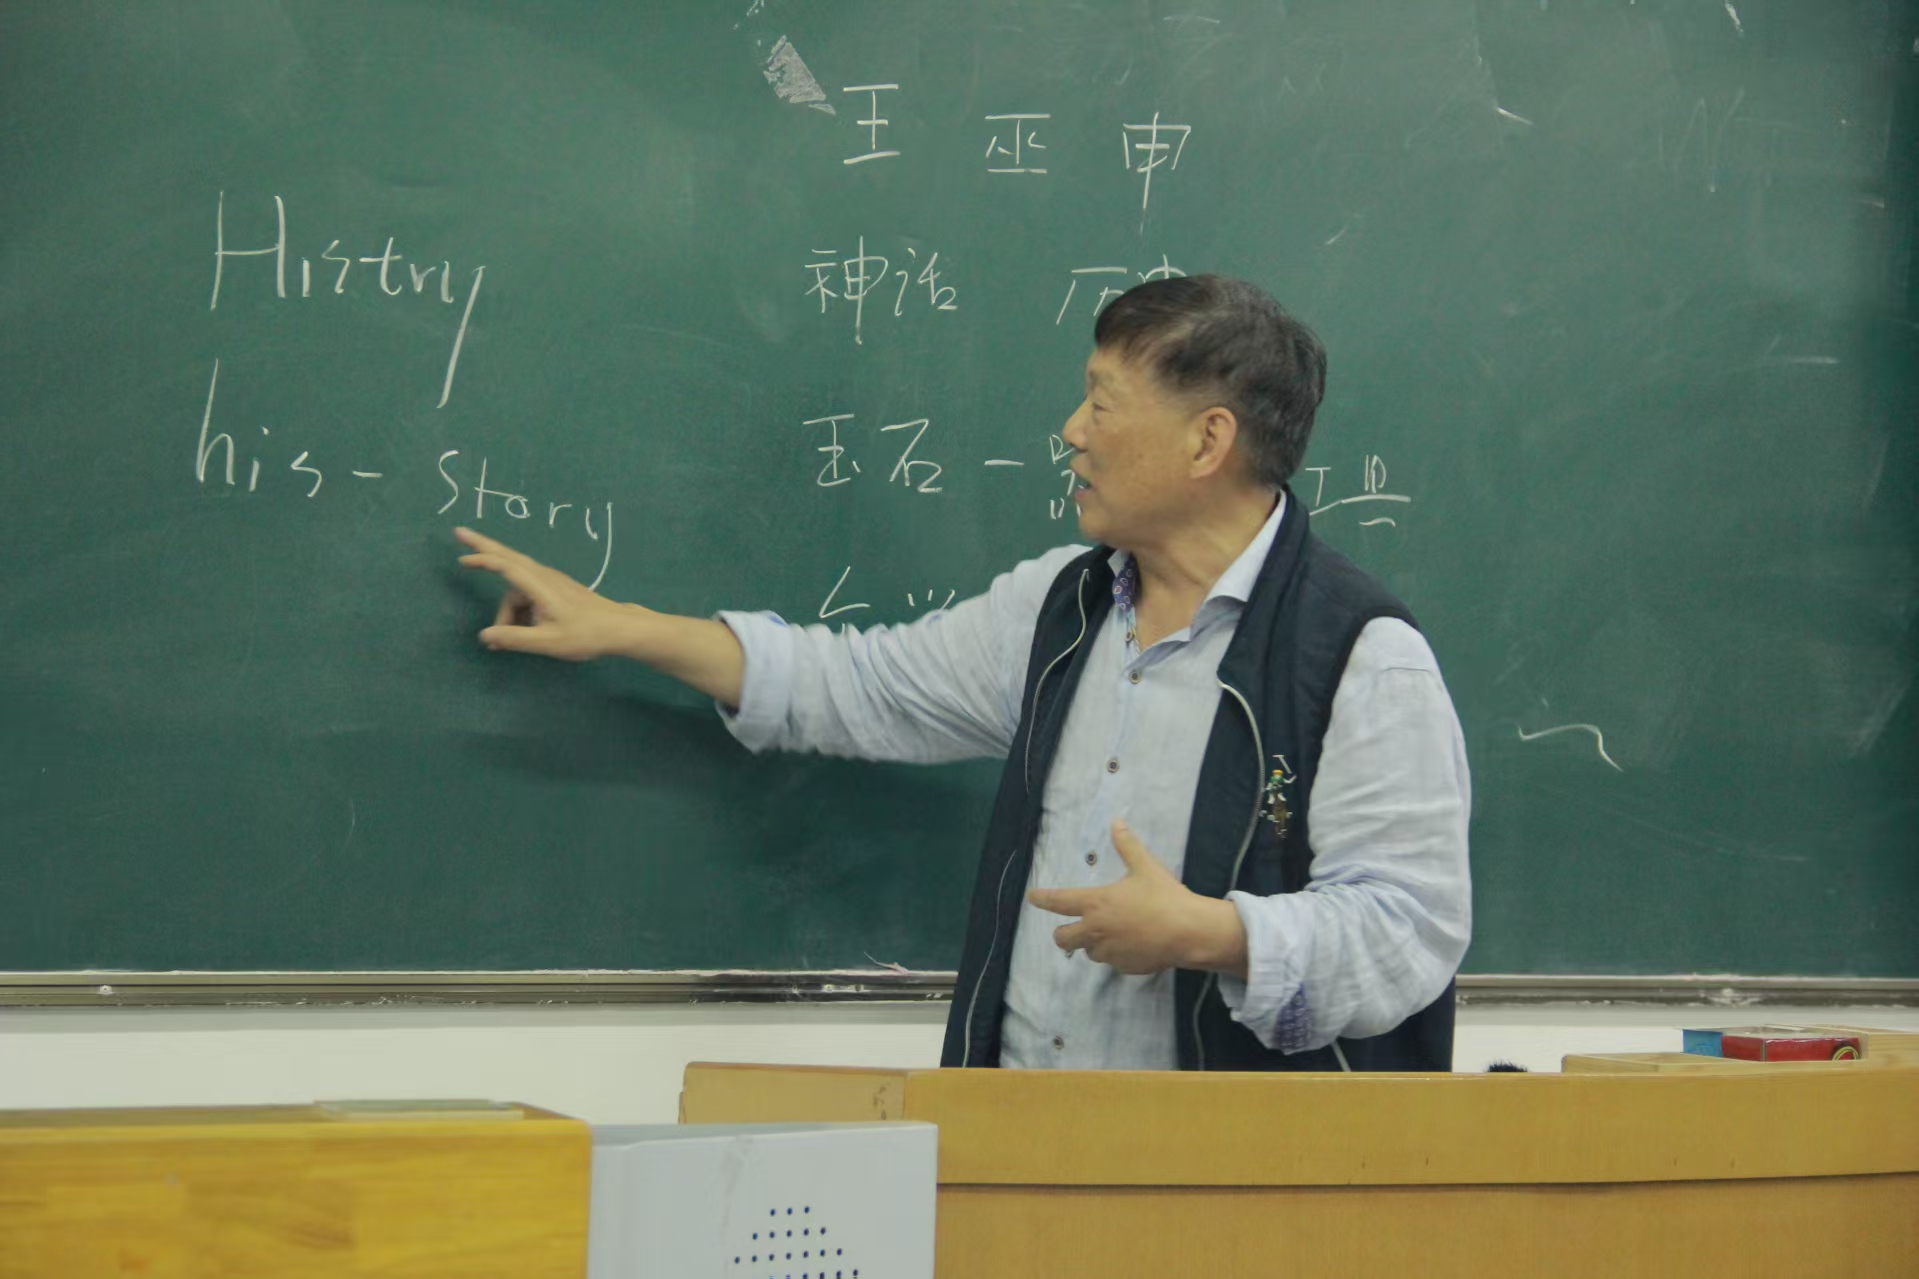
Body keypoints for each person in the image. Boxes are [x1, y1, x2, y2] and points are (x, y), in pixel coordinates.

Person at [455, 275, 1471, 1072]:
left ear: (1207, 440)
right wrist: (622, 627)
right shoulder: (1060, 609)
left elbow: (1408, 931)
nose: (1071, 431)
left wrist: (1210, 933)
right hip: (1014, 1155)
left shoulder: (1356, 655)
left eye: (1101, 402)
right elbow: (855, 687)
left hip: (1224, 1194)